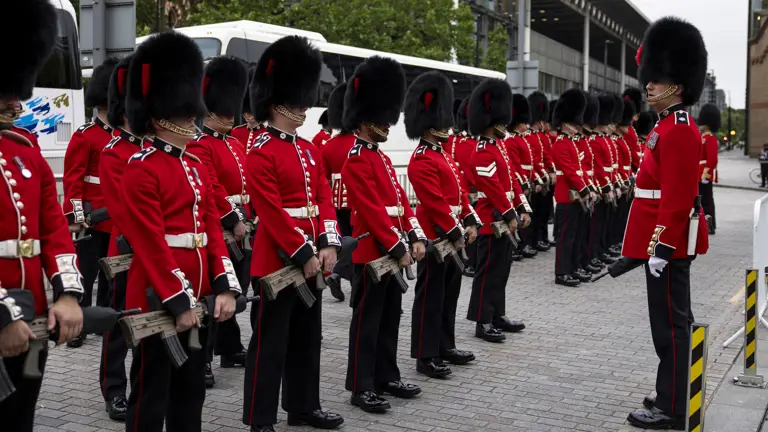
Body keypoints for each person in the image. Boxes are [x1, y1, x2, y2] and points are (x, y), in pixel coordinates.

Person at [119, 31, 241, 432]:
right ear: (159, 115)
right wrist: (178, 299)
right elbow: (151, 244)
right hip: (160, 298)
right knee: (151, 395)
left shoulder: (195, 166)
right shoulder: (141, 167)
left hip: (199, 296)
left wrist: (224, 285)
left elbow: (211, 231)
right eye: (186, 111)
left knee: (191, 393)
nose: (194, 117)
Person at [242, 36, 343, 432]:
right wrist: (305, 253)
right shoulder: (260, 150)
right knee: (270, 343)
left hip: (313, 256)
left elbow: (323, 198)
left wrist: (329, 241)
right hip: (277, 261)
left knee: (307, 338)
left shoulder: (307, 150)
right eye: (298, 98)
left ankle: (303, 405)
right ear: (277, 100)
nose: (304, 105)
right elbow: (271, 211)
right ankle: (260, 418)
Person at [0, 2, 85, 431]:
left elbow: (53, 227)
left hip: (32, 318)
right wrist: (3, 315)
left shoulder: (24, 147)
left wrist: (67, 295)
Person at [623, 16, 709, 430]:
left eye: (657, 80)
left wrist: (661, 247)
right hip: (664, 242)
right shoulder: (667, 126)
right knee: (670, 325)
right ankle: (670, 391)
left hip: (668, 245)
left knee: (671, 328)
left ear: (676, 83)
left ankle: (673, 407)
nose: (649, 85)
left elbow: (675, 201)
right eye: (650, 79)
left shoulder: (677, 129)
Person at [342, 56, 427, 413]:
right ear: (365, 121)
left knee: (391, 316)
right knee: (367, 322)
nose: (388, 126)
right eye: (382, 120)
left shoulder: (382, 159)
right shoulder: (357, 159)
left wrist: (416, 234)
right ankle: (361, 386)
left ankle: (386, 375)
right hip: (372, 254)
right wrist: (396, 246)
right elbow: (374, 214)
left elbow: (402, 206)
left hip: (394, 250)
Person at [405, 71, 479, 378]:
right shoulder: (422, 158)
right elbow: (434, 202)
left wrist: (470, 219)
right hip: (436, 236)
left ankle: (445, 345)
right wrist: (456, 230)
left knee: (449, 294)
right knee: (430, 297)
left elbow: (459, 192)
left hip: (452, 233)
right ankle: (425, 354)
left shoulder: (444, 154)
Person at [185, 56, 250, 388]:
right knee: (215, 295)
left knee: (237, 289)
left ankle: (229, 346)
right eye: (224, 110)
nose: (230, 115)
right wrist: (233, 218)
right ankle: (206, 357)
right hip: (223, 228)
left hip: (242, 227)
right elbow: (211, 186)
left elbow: (245, 183)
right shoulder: (201, 144)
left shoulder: (236, 144)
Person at [466, 78, 531, 342]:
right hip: (490, 219)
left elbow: (511, 181)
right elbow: (492, 188)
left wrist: (522, 207)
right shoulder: (482, 150)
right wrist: (509, 212)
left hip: (503, 217)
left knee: (501, 269)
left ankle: (497, 314)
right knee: (488, 272)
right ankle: (482, 320)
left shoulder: (499, 148)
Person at [63, 58, 119, 348]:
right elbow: (72, 179)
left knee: (112, 273)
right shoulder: (85, 136)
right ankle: (79, 323)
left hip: (118, 218)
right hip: (93, 217)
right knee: (86, 272)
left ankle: (105, 320)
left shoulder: (124, 137)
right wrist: (77, 214)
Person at [97, 55, 140, 422]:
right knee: (118, 322)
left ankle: (141, 386)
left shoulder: (152, 149)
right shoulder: (114, 152)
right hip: (126, 252)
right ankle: (114, 389)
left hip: (158, 251)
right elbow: (121, 209)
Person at [551, 89, 594, 287]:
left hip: (577, 196)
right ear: (565, 125)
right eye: (573, 125)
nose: (576, 129)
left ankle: (573, 268)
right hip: (566, 197)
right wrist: (585, 190)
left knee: (575, 236)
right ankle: (562, 273)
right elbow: (569, 171)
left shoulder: (572, 143)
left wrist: (588, 188)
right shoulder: (561, 144)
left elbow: (581, 170)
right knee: (566, 238)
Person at [321, 82, 357, 303]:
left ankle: (338, 274)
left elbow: (323, 178)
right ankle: (340, 275)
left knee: (343, 242)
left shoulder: (328, 146)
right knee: (356, 243)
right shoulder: (358, 144)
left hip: (335, 201)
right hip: (355, 201)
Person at [505, 94, 540, 259]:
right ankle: (518, 246)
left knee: (525, 214)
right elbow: (515, 166)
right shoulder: (512, 141)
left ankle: (522, 244)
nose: (527, 126)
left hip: (525, 181)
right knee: (518, 215)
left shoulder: (521, 139)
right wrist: (523, 184)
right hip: (519, 183)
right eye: (524, 123)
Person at [528, 91, 555, 252]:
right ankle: (532, 240)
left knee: (543, 212)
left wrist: (549, 173)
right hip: (535, 178)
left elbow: (546, 158)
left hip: (543, 177)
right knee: (534, 212)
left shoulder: (541, 136)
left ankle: (541, 237)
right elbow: (533, 162)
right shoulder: (530, 137)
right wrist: (539, 178)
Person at [698, 103, 720, 235]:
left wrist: (706, 175)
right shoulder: (703, 138)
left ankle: (710, 225)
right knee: (703, 200)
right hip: (699, 174)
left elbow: (712, 160)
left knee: (706, 201)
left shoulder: (710, 139)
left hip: (704, 175)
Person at [230, 66, 263, 152]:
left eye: (251, 112)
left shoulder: (267, 133)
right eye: (246, 112)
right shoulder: (235, 132)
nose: (248, 115)